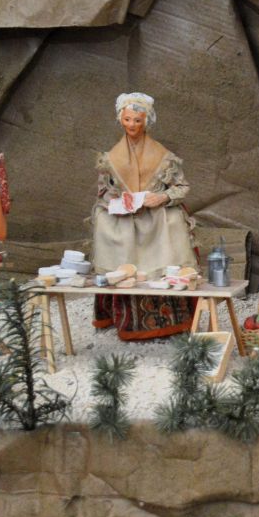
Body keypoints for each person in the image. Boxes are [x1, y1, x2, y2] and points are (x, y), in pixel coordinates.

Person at [92, 92, 198, 340]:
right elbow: (103, 190)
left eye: (137, 120)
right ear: (120, 119)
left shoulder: (163, 156)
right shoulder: (111, 158)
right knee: (103, 219)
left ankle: (171, 315)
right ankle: (122, 305)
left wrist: (162, 197)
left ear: (146, 121)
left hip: (155, 215)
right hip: (125, 216)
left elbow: (182, 187)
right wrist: (117, 200)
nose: (132, 125)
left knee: (173, 219)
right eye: (127, 119)